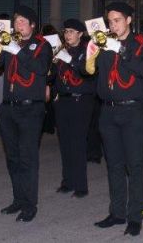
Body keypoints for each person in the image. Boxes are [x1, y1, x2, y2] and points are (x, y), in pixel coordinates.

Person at [86, 2, 143, 237]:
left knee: (133, 165)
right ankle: (117, 213)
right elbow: (90, 73)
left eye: (117, 20)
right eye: (110, 21)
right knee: (113, 165)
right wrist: (91, 53)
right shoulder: (104, 44)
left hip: (132, 111)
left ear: (129, 20)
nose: (113, 24)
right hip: (108, 111)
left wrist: (120, 49)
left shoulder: (141, 44)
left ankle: (135, 217)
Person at [0, 6, 52, 222]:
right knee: (12, 158)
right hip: (9, 108)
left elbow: (40, 68)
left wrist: (17, 50)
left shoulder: (42, 45)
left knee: (28, 158)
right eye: (16, 21)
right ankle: (18, 199)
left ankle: (30, 205)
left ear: (32, 25)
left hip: (30, 108)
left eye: (23, 21)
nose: (18, 24)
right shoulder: (9, 42)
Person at [52, 19, 96, 198]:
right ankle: (67, 181)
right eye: (65, 31)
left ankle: (81, 185)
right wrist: (52, 62)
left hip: (81, 101)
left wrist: (68, 59)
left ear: (80, 34)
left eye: (71, 32)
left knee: (77, 143)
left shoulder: (88, 50)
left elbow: (86, 71)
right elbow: (53, 76)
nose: (67, 35)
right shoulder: (61, 50)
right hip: (63, 101)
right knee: (65, 143)